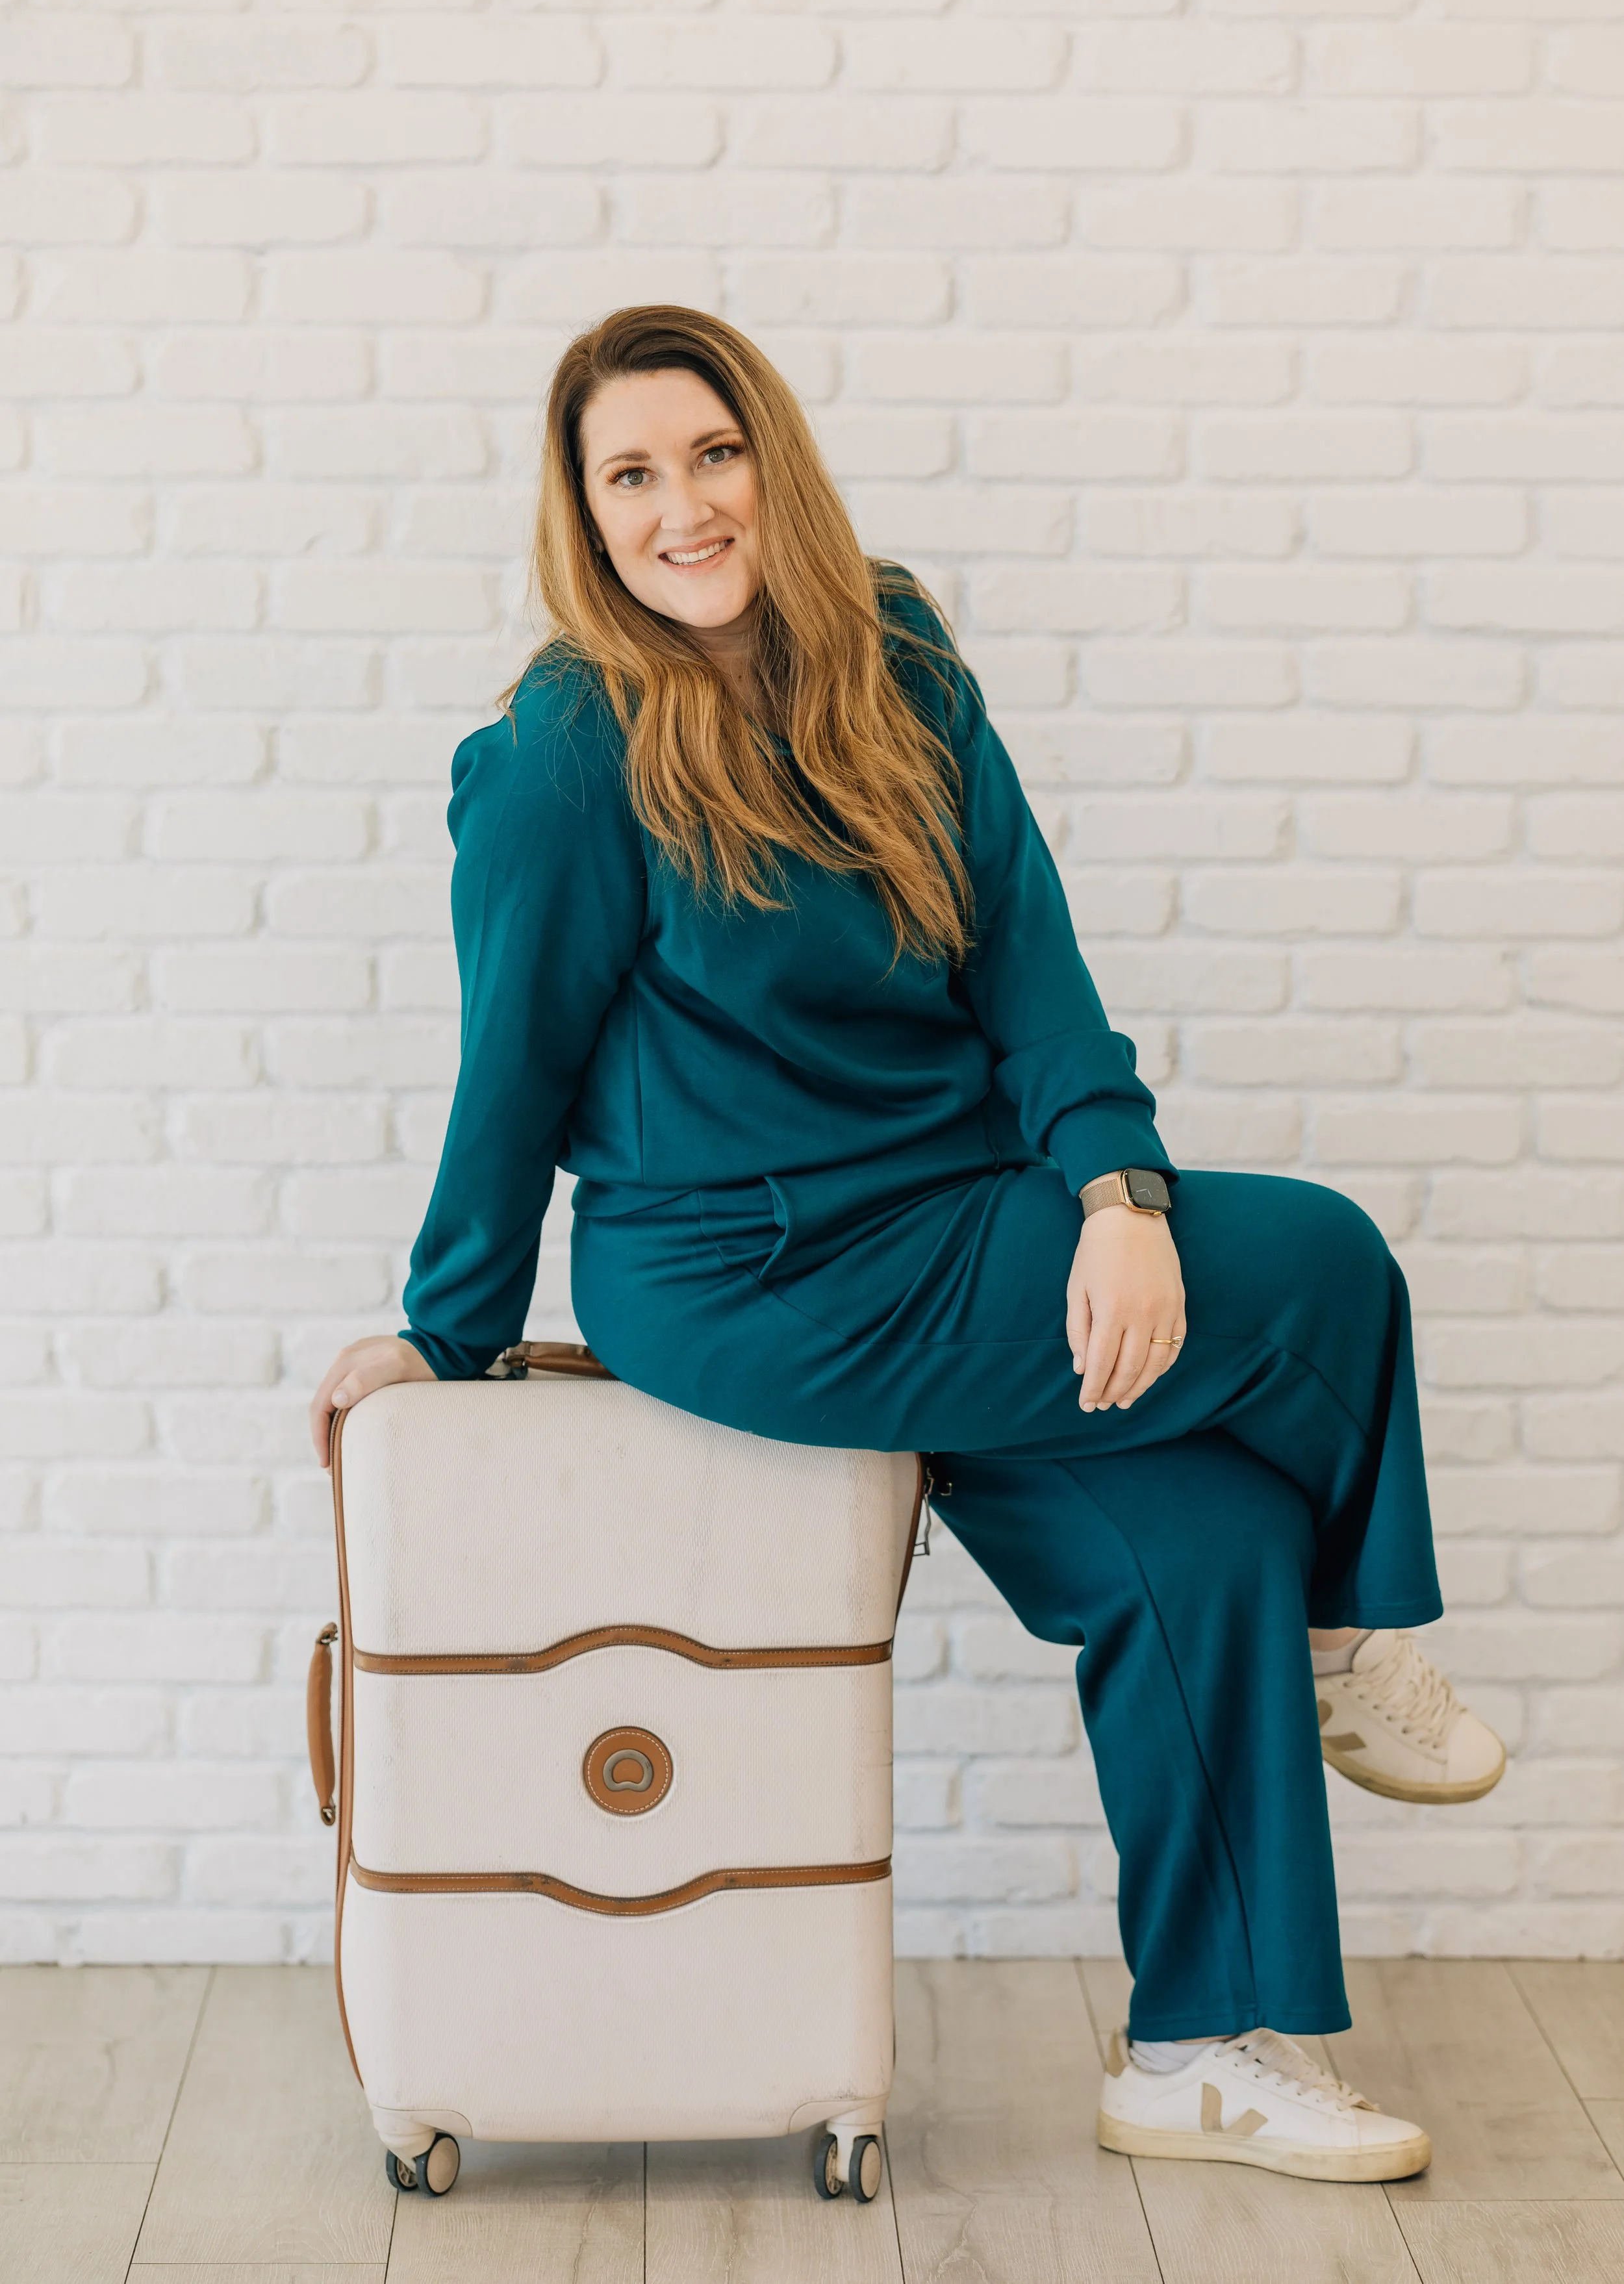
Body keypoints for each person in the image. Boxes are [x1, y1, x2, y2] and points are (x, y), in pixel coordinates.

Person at [311, 306, 1503, 2184]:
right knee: (1331, 1261)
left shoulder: (895, 650)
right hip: (747, 1274)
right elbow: (511, 1064)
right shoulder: (564, 748)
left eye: (711, 453)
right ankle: (1360, 1644)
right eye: (630, 475)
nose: (683, 506)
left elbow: (1025, 947)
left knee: (1200, 1538)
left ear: (769, 452)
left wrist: (1113, 1195)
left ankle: (1203, 2047)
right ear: (583, 516)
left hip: (967, 1220)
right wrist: (443, 1331)